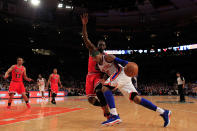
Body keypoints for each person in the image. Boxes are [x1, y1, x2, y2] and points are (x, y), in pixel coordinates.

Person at [81, 13, 171, 127]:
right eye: (92, 57)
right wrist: (105, 79)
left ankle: (114, 116)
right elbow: (105, 73)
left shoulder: (108, 57)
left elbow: (125, 63)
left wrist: (132, 72)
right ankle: (163, 112)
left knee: (105, 88)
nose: (94, 57)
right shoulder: (97, 65)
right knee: (136, 99)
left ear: (99, 53)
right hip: (120, 78)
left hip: (122, 73)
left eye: (95, 55)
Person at [81, 14, 110, 119]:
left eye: (103, 45)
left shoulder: (107, 57)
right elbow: (85, 38)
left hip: (98, 76)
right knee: (91, 100)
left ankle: (107, 114)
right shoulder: (93, 50)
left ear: (105, 46)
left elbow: (107, 71)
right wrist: (84, 25)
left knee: (98, 91)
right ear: (97, 45)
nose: (101, 46)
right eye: (100, 44)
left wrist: (104, 78)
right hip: (89, 76)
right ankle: (105, 106)